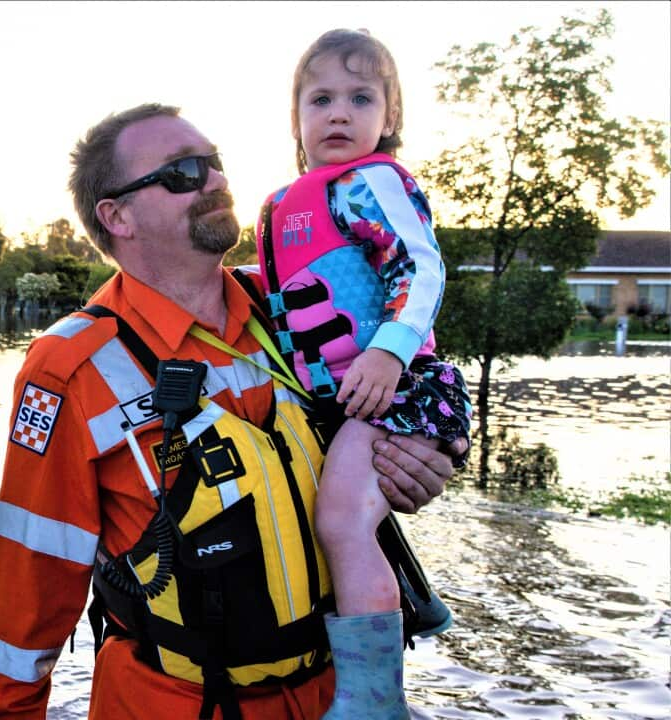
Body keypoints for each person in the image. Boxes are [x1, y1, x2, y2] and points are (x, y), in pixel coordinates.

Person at [0, 103, 468, 720]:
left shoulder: (292, 307)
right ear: (116, 216)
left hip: (335, 696)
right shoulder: (69, 369)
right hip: (174, 702)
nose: (215, 181)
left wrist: (426, 456)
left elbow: (404, 385)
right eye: (182, 172)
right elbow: (26, 583)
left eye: (215, 164)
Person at [254, 29, 472, 718]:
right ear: (296, 119)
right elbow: (278, 300)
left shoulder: (369, 185)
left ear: (391, 117)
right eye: (320, 99)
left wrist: (390, 348)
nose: (338, 113)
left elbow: (422, 265)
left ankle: (375, 703)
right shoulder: (284, 205)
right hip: (340, 404)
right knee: (340, 527)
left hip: (398, 387)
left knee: (344, 522)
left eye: (360, 97)